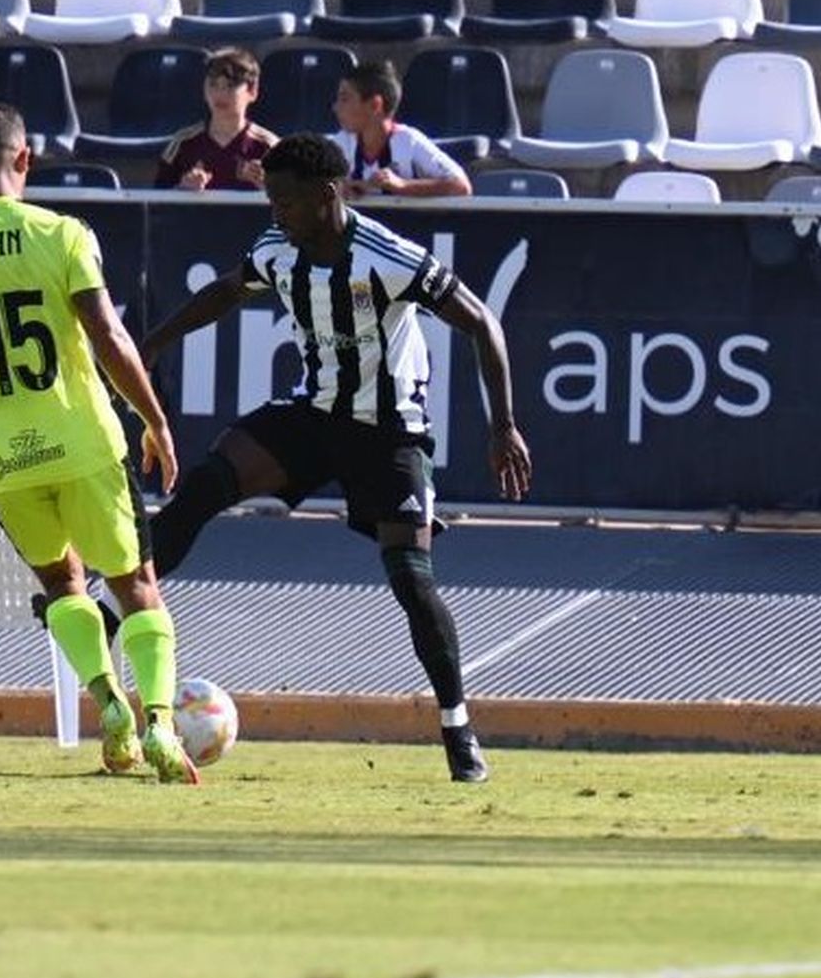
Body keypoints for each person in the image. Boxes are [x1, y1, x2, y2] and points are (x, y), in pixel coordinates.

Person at [140, 133, 530, 782]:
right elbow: (228, 291)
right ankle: (115, 607)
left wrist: (503, 426)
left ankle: (458, 729)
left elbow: (482, 321)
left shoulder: (387, 256)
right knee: (205, 485)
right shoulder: (277, 249)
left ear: (326, 196)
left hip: (389, 432)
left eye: (286, 202)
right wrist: (151, 346)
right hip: (313, 414)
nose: (275, 214)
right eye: (270, 201)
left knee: (410, 577)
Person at [0, 102, 199, 784]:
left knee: (62, 583)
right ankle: (155, 721)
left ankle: (107, 706)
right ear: (24, 159)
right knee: (136, 585)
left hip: (5, 456)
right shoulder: (63, 233)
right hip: (85, 440)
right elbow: (107, 334)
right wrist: (153, 417)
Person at [329, 60, 472, 199]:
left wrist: (402, 185)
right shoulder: (342, 142)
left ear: (375, 105)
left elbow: (462, 186)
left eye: (344, 99)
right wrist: (337, 188)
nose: (336, 108)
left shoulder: (409, 141)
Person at [154, 48, 277, 192]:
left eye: (230, 86)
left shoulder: (270, 147)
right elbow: (155, 202)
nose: (220, 93)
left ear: (252, 91)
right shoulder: (183, 143)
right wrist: (182, 189)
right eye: (213, 84)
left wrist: (268, 187)